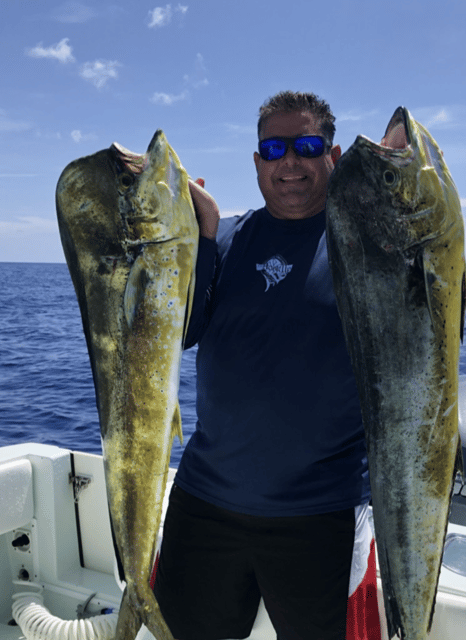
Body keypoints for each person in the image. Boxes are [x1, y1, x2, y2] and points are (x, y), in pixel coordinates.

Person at [153, 91, 378, 640]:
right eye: (273, 148)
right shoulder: (225, 238)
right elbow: (177, 334)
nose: (289, 162)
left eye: (306, 146)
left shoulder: (372, 246)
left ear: (334, 154)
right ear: (256, 161)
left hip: (322, 515)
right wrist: (200, 235)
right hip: (205, 505)